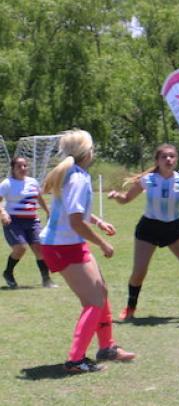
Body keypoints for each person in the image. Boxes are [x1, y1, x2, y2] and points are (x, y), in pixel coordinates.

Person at [40, 130, 136, 373]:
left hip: (64, 244)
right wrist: (102, 243)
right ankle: (75, 360)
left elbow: (76, 211)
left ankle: (107, 348)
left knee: (100, 293)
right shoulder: (78, 178)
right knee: (93, 301)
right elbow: (75, 222)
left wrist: (98, 221)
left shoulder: (73, 174)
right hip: (63, 246)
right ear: (87, 152)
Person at [107, 144, 179, 320]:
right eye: (164, 157)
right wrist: (116, 195)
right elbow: (126, 199)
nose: (169, 160)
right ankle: (130, 308)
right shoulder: (148, 180)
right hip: (148, 228)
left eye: (172, 156)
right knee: (139, 272)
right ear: (157, 160)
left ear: (176, 159)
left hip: (173, 229)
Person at [0, 156, 55, 288]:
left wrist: (48, 212)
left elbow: (39, 197)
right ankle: (8, 273)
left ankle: (46, 280)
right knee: (20, 248)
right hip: (13, 221)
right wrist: (3, 213)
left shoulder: (33, 182)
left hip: (32, 221)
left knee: (40, 249)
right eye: (19, 166)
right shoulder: (7, 184)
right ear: (13, 168)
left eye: (25, 166)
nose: (23, 169)